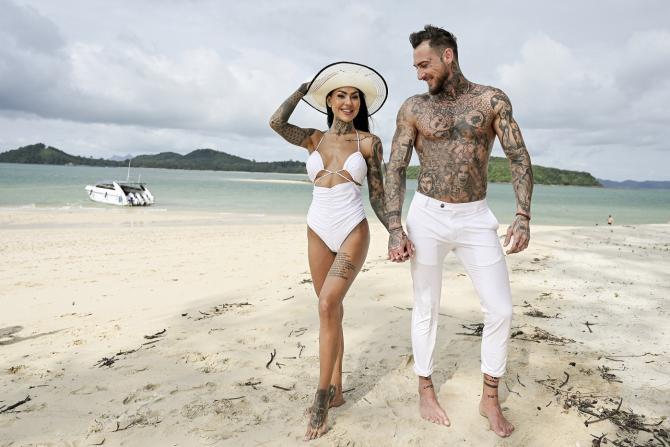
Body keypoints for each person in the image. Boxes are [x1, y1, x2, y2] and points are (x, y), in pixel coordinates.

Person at [385, 25, 534, 438]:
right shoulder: (414, 107)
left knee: (500, 309)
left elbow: (518, 156)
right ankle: (425, 389)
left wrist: (523, 214)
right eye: (416, 67)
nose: (420, 74)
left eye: (425, 64)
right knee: (426, 306)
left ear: (448, 55)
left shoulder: (491, 100)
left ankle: (490, 399)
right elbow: (395, 167)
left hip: (475, 216)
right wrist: (395, 227)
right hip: (427, 215)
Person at [269, 62, 389, 441]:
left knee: (326, 305)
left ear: (361, 104)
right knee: (330, 308)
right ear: (330, 101)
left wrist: (397, 232)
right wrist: (301, 90)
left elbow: (379, 195)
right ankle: (337, 390)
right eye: (341, 95)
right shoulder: (314, 139)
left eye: (355, 97)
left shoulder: (369, 143)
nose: (348, 102)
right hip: (317, 230)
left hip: (353, 230)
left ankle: (321, 399)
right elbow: (276, 122)